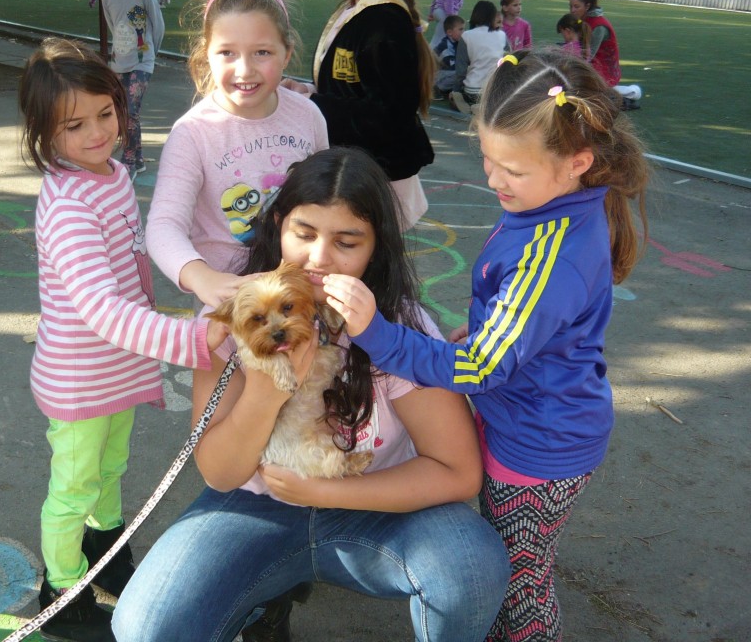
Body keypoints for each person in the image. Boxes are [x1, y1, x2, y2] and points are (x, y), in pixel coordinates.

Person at [113, 146, 510, 642]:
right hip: (258, 505)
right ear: (277, 224)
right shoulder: (237, 315)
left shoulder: (400, 327)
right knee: (146, 627)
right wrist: (264, 391)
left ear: (376, 247)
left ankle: (268, 592)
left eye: (347, 241)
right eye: (304, 234)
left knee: (472, 565)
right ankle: (263, 600)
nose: (319, 258)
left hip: (379, 504)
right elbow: (220, 473)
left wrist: (326, 493)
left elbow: (458, 471)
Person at [324, 49, 650, 642]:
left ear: (577, 163)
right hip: (539, 422)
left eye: (513, 171)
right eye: (488, 159)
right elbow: (529, 325)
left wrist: (376, 333)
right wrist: (490, 331)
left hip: (537, 448)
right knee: (519, 570)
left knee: (519, 589)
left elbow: (480, 367)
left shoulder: (551, 252)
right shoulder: (553, 204)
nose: (494, 180)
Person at [17, 38, 228, 642]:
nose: (97, 133)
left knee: (110, 469)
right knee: (73, 487)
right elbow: (102, 310)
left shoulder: (109, 175)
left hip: (119, 368)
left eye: (105, 113)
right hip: (81, 379)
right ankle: (62, 591)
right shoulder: (68, 206)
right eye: (74, 125)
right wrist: (192, 339)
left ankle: (104, 548)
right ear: (44, 133)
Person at [147, 0, 328, 309]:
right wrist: (202, 276)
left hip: (299, 297)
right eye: (227, 52)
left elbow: (328, 201)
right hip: (230, 306)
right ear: (207, 55)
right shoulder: (192, 133)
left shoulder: (308, 116)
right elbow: (163, 226)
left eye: (262, 52)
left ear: (287, 54)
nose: (244, 70)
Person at [281, 0, 435, 232]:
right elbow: (354, 91)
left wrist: (312, 103)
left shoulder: (384, 19)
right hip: (359, 178)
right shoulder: (357, 10)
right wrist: (307, 90)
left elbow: (388, 116)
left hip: (376, 187)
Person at [101, 0, 164, 180]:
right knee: (123, 112)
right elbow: (113, 26)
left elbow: (158, 26)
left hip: (142, 62)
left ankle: (128, 161)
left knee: (130, 111)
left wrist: (150, 54)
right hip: (119, 63)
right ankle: (138, 159)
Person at [569, 0, 642, 109]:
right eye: (571, 6)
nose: (572, 10)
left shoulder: (598, 26)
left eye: (576, 6)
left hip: (603, 69)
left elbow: (588, 56)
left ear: (587, 6)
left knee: (585, 92)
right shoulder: (583, 21)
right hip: (592, 65)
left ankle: (631, 93)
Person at [449, 0, 508, 115]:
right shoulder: (502, 35)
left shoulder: (466, 36)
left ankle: (467, 103)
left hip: (472, 90)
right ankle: (485, 107)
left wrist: (455, 91)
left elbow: (461, 71)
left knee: (456, 95)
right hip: (493, 91)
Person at [433, 13, 465, 97]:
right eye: (460, 29)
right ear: (449, 32)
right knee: (460, 74)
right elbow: (452, 66)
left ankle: (449, 88)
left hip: (446, 72)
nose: (463, 32)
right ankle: (438, 88)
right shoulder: (446, 47)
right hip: (438, 75)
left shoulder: (456, 42)